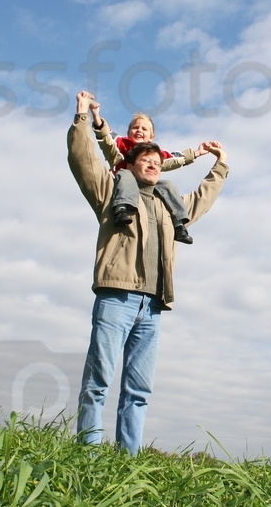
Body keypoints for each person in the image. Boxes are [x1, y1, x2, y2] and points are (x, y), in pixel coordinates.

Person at [67, 91, 229, 455]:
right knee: (98, 383)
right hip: (117, 297)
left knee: (138, 391)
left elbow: (202, 196)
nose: (153, 163)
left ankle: (128, 460)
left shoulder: (169, 206)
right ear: (132, 162)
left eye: (158, 160)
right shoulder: (112, 192)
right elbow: (84, 160)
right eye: (146, 159)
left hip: (153, 308)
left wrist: (220, 164)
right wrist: (82, 117)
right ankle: (87, 455)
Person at [90, 103, 214, 245]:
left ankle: (179, 224)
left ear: (151, 137)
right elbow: (107, 136)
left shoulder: (153, 153)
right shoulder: (122, 144)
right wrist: (96, 117)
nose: (139, 130)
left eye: (144, 129)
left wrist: (196, 153)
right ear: (129, 131)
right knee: (126, 174)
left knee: (167, 185)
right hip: (122, 186)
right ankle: (121, 209)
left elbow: (172, 159)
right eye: (135, 128)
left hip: (146, 187)